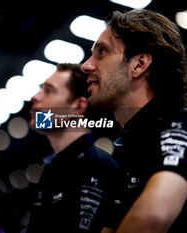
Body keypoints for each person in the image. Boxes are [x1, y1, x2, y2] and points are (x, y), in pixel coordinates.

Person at [81, 9, 187, 233]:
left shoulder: (185, 128)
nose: (86, 65)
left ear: (139, 64)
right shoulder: (126, 151)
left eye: (102, 52)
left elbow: (152, 217)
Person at [26, 63, 119, 233]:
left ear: (77, 107)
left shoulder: (95, 166)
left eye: (48, 90)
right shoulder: (53, 169)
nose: (35, 97)